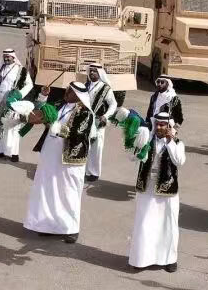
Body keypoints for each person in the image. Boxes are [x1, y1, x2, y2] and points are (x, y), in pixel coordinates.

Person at [23, 80, 95, 244]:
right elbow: (42, 111)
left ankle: (71, 228)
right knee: (47, 188)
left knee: (68, 192)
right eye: (67, 90)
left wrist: (56, 127)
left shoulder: (85, 113)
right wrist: (43, 96)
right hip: (50, 154)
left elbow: (78, 134)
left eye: (69, 91)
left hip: (70, 159)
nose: (66, 93)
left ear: (78, 95)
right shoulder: (59, 104)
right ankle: (48, 225)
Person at [128, 111, 186, 272]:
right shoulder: (146, 139)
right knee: (144, 224)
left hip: (167, 190)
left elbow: (179, 161)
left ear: (169, 126)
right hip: (147, 188)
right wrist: (136, 147)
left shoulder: (178, 143)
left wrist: (170, 141)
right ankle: (141, 259)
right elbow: (132, 157)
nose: (159, 127)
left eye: (162, 125)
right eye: (157, 124)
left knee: (167, 226)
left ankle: (169, 260)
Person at [0, 49, 33, 162]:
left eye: (8, 56)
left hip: (12, 103)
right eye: (5, 56)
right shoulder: (0, 68)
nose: (6, 58)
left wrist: (19, 94)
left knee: (12, 127)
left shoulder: (21, 70)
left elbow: (29, 85)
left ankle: (13, 153)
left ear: (14, 57)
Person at [85, 63, 117, 182]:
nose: (92, 73)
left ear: (100, 73)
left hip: (98, 121)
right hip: (85, 120)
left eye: (94, 71)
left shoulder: (105, 88)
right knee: (85, 145)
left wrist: (106, 116)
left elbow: (113, 104)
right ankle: (84, 170)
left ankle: (94, 172)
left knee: (96, 147)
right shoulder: (86, 85)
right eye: (90, 71)